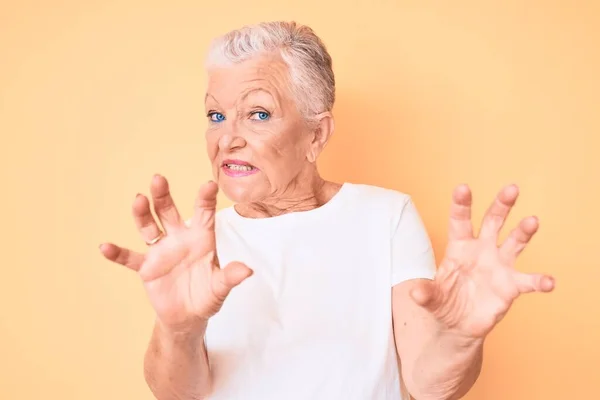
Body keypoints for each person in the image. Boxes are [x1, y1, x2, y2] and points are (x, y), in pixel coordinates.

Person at [99, 21, 555, 400]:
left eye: (257, 113)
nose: (227, 137)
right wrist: (178, 328)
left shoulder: (386, 216)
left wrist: (459, 337)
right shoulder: (196, 246)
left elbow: (429, 384)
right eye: (216, 115)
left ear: (316, 135)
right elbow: (180, 395)